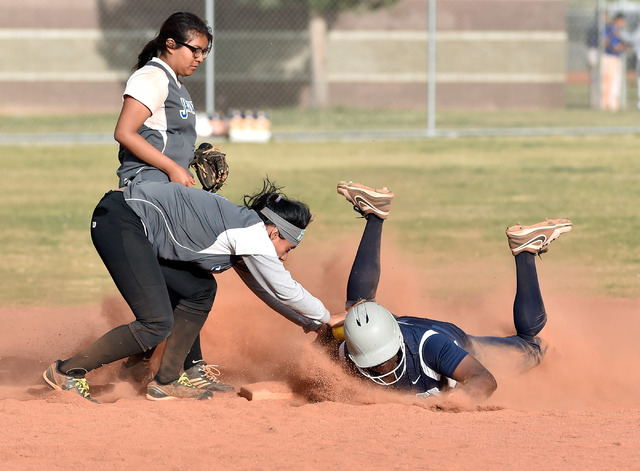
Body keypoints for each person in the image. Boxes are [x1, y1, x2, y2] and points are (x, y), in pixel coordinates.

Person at [43, 178, 332, 402]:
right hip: (121, 219)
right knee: (156, 323)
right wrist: (327, 317)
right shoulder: (252, 234)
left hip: (134, 226)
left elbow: (267, 290)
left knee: (200, 289)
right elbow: (285, 289)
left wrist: (311, 323)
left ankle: (166, 380)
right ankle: (66, 371)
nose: (284, 256)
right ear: (274, 232)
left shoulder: (249, 235)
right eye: (287, 248)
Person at [328, 181, 572, 401]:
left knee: (532, 346)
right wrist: (328, 326)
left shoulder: (433, 347)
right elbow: (319, 352)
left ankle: (526, 252)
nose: (378, 369)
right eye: (371, 364)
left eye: (382, 362)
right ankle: (375, 215)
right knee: (358, 310)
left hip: (453, 338)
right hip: (394, 326)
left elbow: (484, 381)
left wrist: (450, 401)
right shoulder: (351, 346)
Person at [111, 11, 223, 391]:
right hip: (146, 192)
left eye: (205, 52)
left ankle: (160, 367)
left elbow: (160, 137)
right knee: (191, 280)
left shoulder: (175, 83)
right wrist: (172, 169)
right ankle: (176, 370)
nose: (200, 59)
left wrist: (186, 162)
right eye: (196, 50)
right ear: (170, 43)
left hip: (165, 193)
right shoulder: (152, 77)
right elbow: (124, 132)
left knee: (187, 282)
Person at [601, 13, 627, 111]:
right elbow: (612, 45)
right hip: (611, 57)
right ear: (617, 20)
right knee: (612, 81)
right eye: (622, 21)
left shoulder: (613, 29)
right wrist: (624, 47)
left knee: (608, 81)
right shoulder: (614, 30)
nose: (624, 23)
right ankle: (610, 104)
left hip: (610, 57)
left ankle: (606, 103)